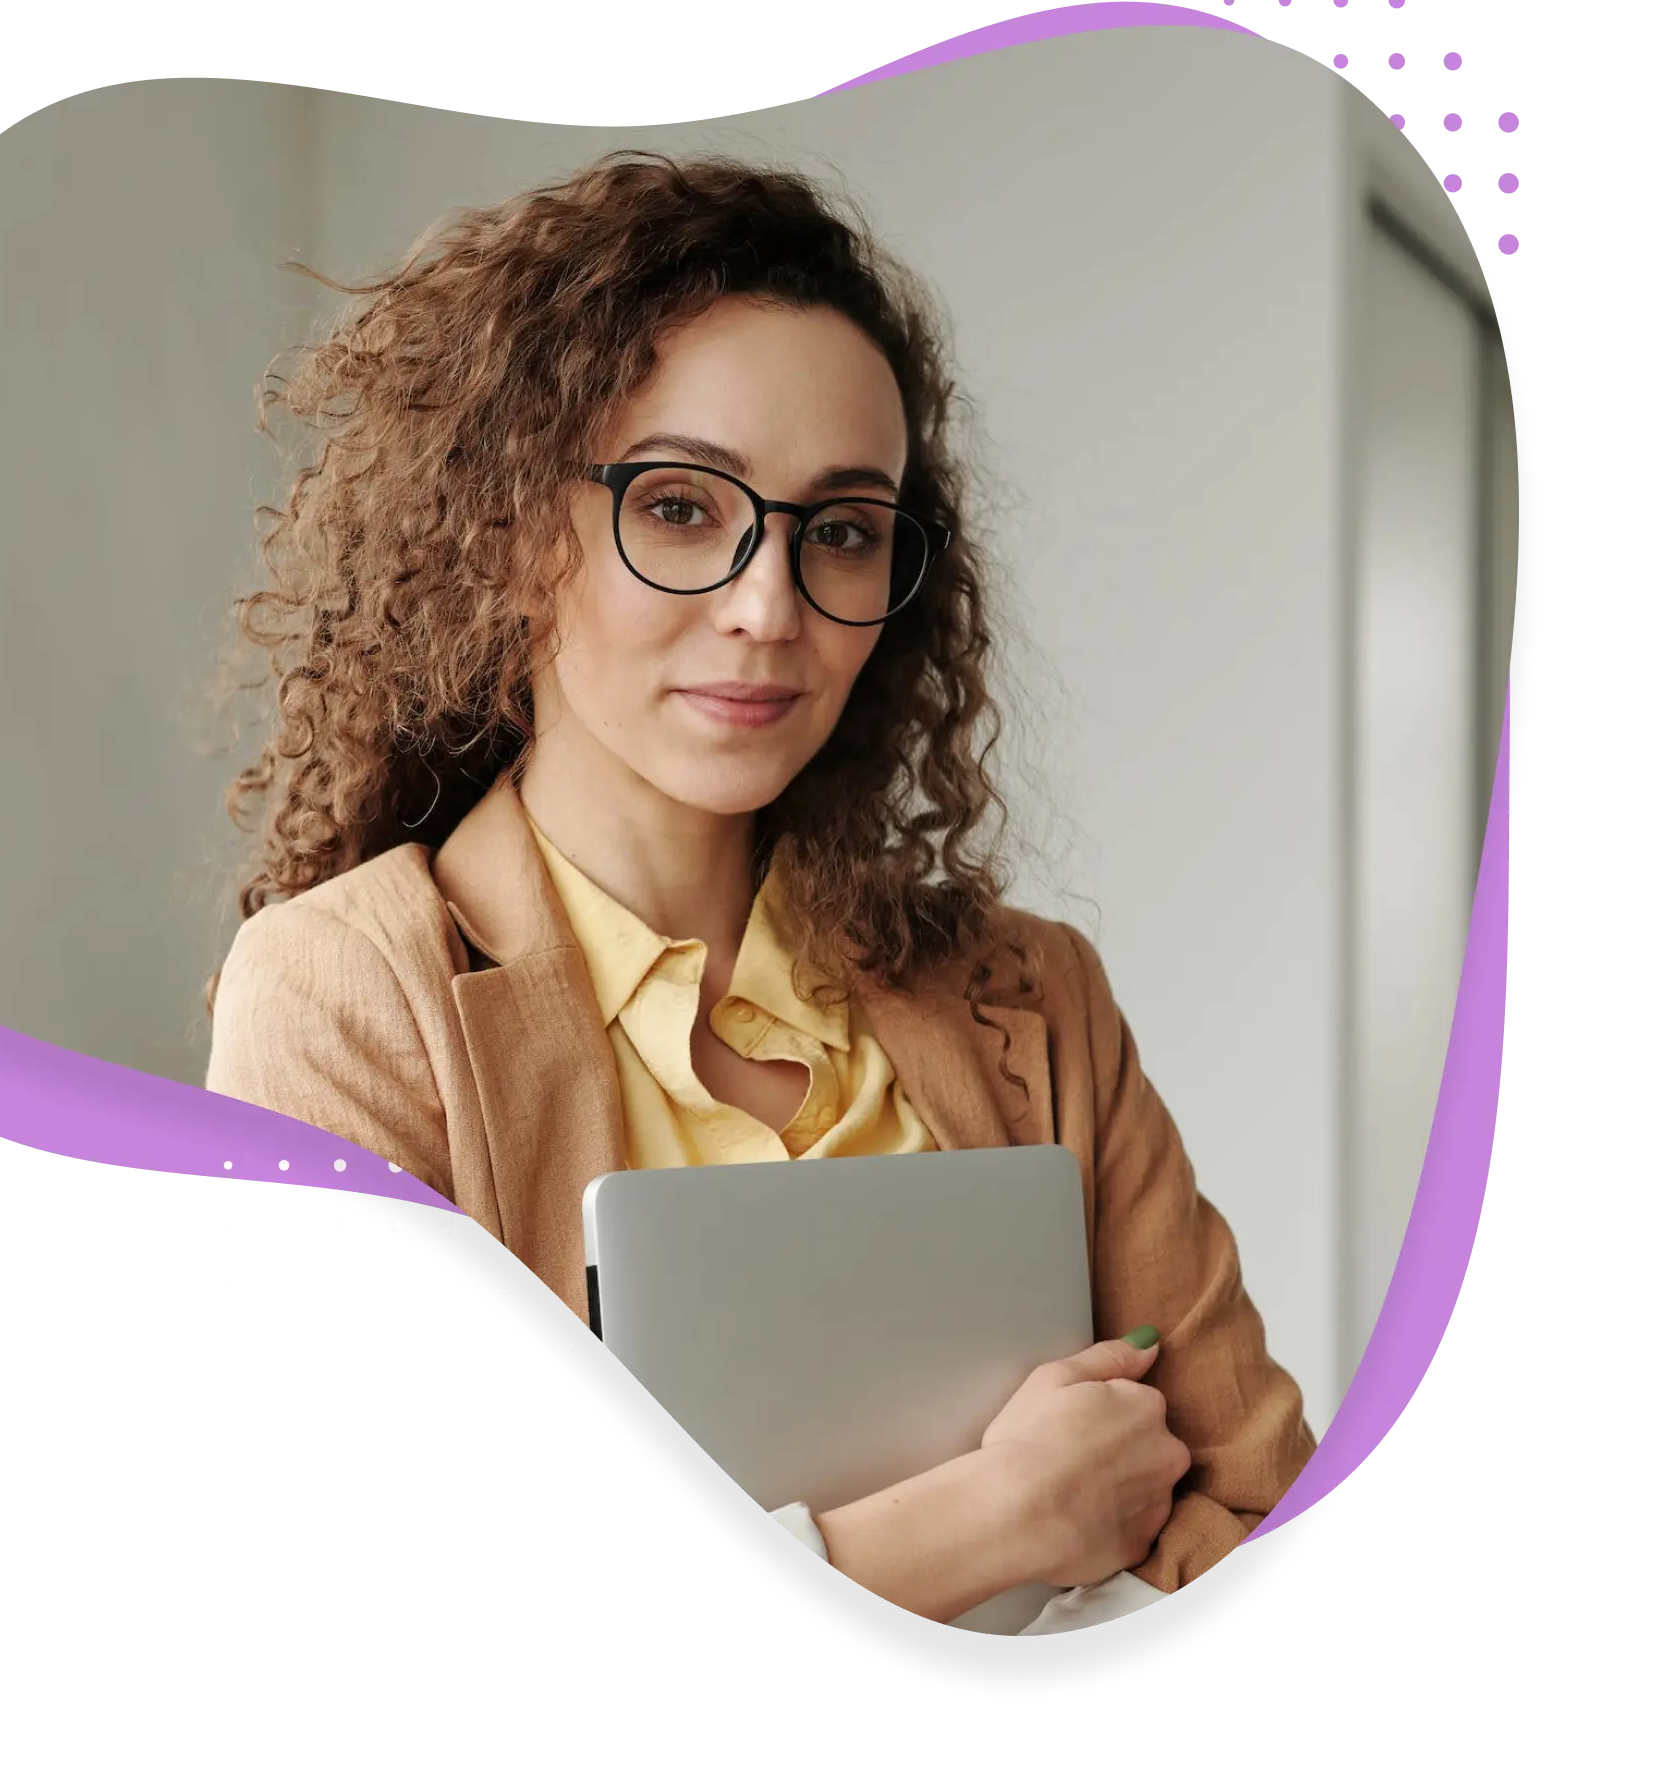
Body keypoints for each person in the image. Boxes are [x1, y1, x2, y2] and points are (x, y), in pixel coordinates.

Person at [205, 151, 1316, 1634]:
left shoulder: (1034, 997)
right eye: (678, 506)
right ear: (514, 525)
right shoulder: (349, 996)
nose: (766, 608)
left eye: (840, 529)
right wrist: (980, 1524)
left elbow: (1260, 1506)